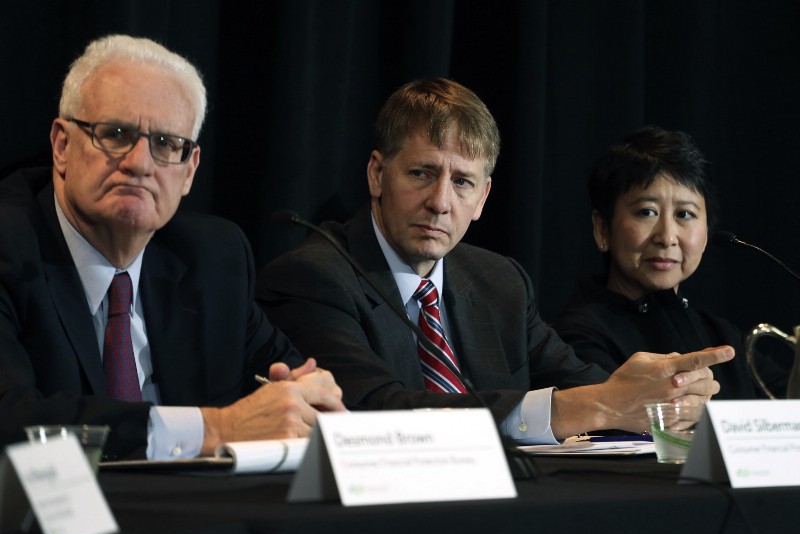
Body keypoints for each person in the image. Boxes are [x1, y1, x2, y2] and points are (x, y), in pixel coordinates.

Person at [256, 78, 733, 443]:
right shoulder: (313, 277)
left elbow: (593, 388)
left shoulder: (499, 281)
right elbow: (374, 411)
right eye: (422, 173)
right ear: (378, 174)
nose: (440, 202)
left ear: (483, 197)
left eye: (462, 182)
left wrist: (661, 394)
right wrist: (584, 408)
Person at [0, 35, 344, 461]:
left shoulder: (213, 258)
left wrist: (305, 397)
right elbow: (11, 421)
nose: (140, 164)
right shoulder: (10, 246)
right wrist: (219, 427)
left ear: (189, 171)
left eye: (165, 144)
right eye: (116, 134)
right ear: (62, 146)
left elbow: (287, 380)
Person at [554, 126, 786, 399]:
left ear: (707, 231)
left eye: (685, 214)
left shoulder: (721, 333)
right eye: (646, 212)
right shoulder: (576, 337)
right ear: (603, 229)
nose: (666, 237)